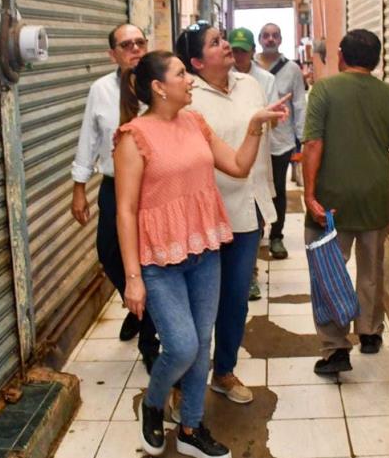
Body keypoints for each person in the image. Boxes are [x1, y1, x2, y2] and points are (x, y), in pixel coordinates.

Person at [115, 50, 287, 457]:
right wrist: (132, 277)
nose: (189, 80)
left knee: (202, 344)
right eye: (180, 74)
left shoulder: (195, 122)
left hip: (204, 250)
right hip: (159, 261)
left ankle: (192, 427)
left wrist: (255, 127)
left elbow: (239, 166)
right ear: (159, 88)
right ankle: (155, 404)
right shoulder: (132, 137)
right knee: (182, 345)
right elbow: (125, 210)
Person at [301, 29, 389, 376]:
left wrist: (309, 193)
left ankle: (335, 348)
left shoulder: (324, 90)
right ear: (376, 61)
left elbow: (313, 144)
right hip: (375, 194)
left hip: (332, 199)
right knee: (372, 267)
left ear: (341, 56)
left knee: (328, 271)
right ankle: (370, 332)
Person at [183, 23, 281, 404]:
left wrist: (267, 195)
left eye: (222, 39)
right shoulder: (188, 97)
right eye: (214, 43)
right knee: (199, 304)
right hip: (205, 216)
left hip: (248, 208)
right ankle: (181, 381)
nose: (225, 45)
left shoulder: (250, 85)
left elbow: (261, 142)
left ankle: (223, 371)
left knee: (236, 298)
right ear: (196, 61)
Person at [70, 23, 160, 372]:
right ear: (113, 54)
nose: (135, 48)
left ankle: (150, 339)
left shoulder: (158, 86)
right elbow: (88, 138)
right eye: (126, 45)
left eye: (140, 42)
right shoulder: (101, 90)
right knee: (109, 253)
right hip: (113, 183)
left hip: (153, 186)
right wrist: (79, 186)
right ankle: (139, 306)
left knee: (152, 262)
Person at [228, 27, 277, 302]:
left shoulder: (264, 80)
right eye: (233, 51)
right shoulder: (219, 81)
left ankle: (251, 272)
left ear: (251, 52)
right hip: (229, 160)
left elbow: (272, 117)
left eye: (242, 51)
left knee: (255, 219)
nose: (238, 56)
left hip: (257, 158)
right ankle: (239, 274)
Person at [255, 23, 306, 260]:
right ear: (259, 39)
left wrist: (302, 138)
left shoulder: (292, 69)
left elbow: (298, 104)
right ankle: (255, 232)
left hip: (281, 140)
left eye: (275, 35)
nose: (270, 39)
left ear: (281, 39)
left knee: (277, 189)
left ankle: (276, 235)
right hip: (253, 139)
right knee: (253, 188)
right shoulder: (247, 66)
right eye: (266, 36)